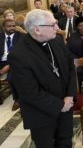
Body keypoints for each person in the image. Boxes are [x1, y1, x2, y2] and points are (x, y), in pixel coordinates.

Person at [8, 9, 77, 148]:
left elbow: (71, 67)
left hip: (66, 107)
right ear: (37, 30)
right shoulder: (18, 55)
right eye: (52, 25)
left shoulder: (57, 41)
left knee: (66, 142)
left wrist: (69, 96)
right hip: (41, 115)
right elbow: (29, 92)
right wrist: (60, 105)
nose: (57, 28)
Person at [0, 19, 24, 108]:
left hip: (14, 62)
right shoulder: (0, 36)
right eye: (9, 26)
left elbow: (22, 55)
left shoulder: (21, 37)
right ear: (3, 28)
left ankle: (17, 99)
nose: (12, 28)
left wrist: (9, 65)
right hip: (1, 61)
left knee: (11, 77)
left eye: (13, 26)